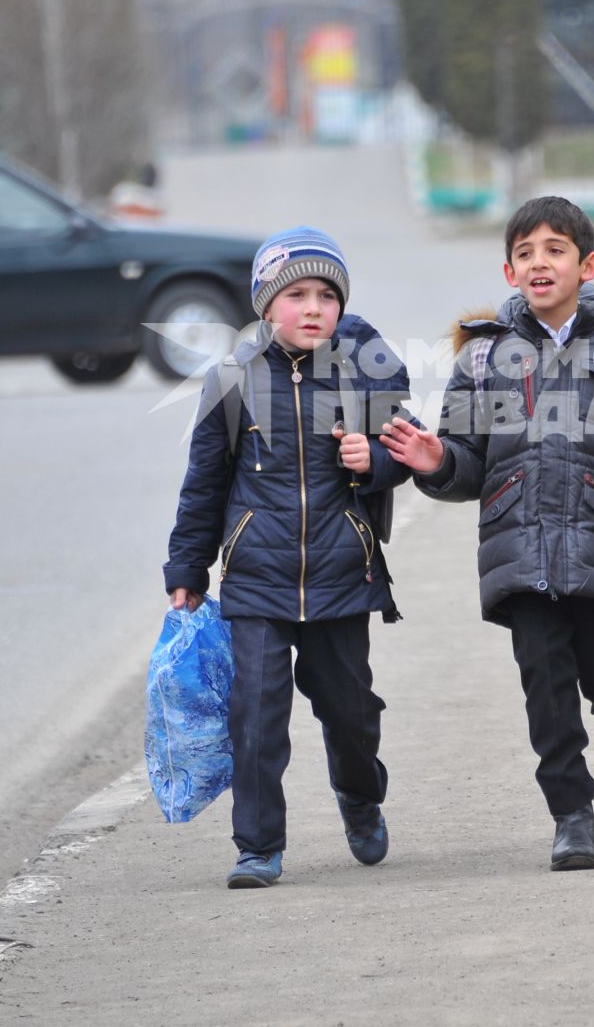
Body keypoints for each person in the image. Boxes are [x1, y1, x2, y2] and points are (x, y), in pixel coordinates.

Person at [382, 196, 594, 871]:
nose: (540, 261)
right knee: (545, 680)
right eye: (526, 252)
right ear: (510, 271)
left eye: (555, 249)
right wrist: (435, 460)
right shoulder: (483, 357)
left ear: (587, 264)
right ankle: (570, 813)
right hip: (520, 544)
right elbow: (465, 460)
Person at [163, 227, 414, 888]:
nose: (312, 307)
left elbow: (406, 451)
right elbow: (204, 484)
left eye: (326, 295)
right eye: (296, 294)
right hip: (257, 578)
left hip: (341, 576)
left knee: (351, 712)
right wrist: (186, 569)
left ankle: (361, 796)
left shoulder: (364, 375)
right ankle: (259, 845)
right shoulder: (232, 381)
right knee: (255, 713)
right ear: (265, 306)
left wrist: (375, 460)